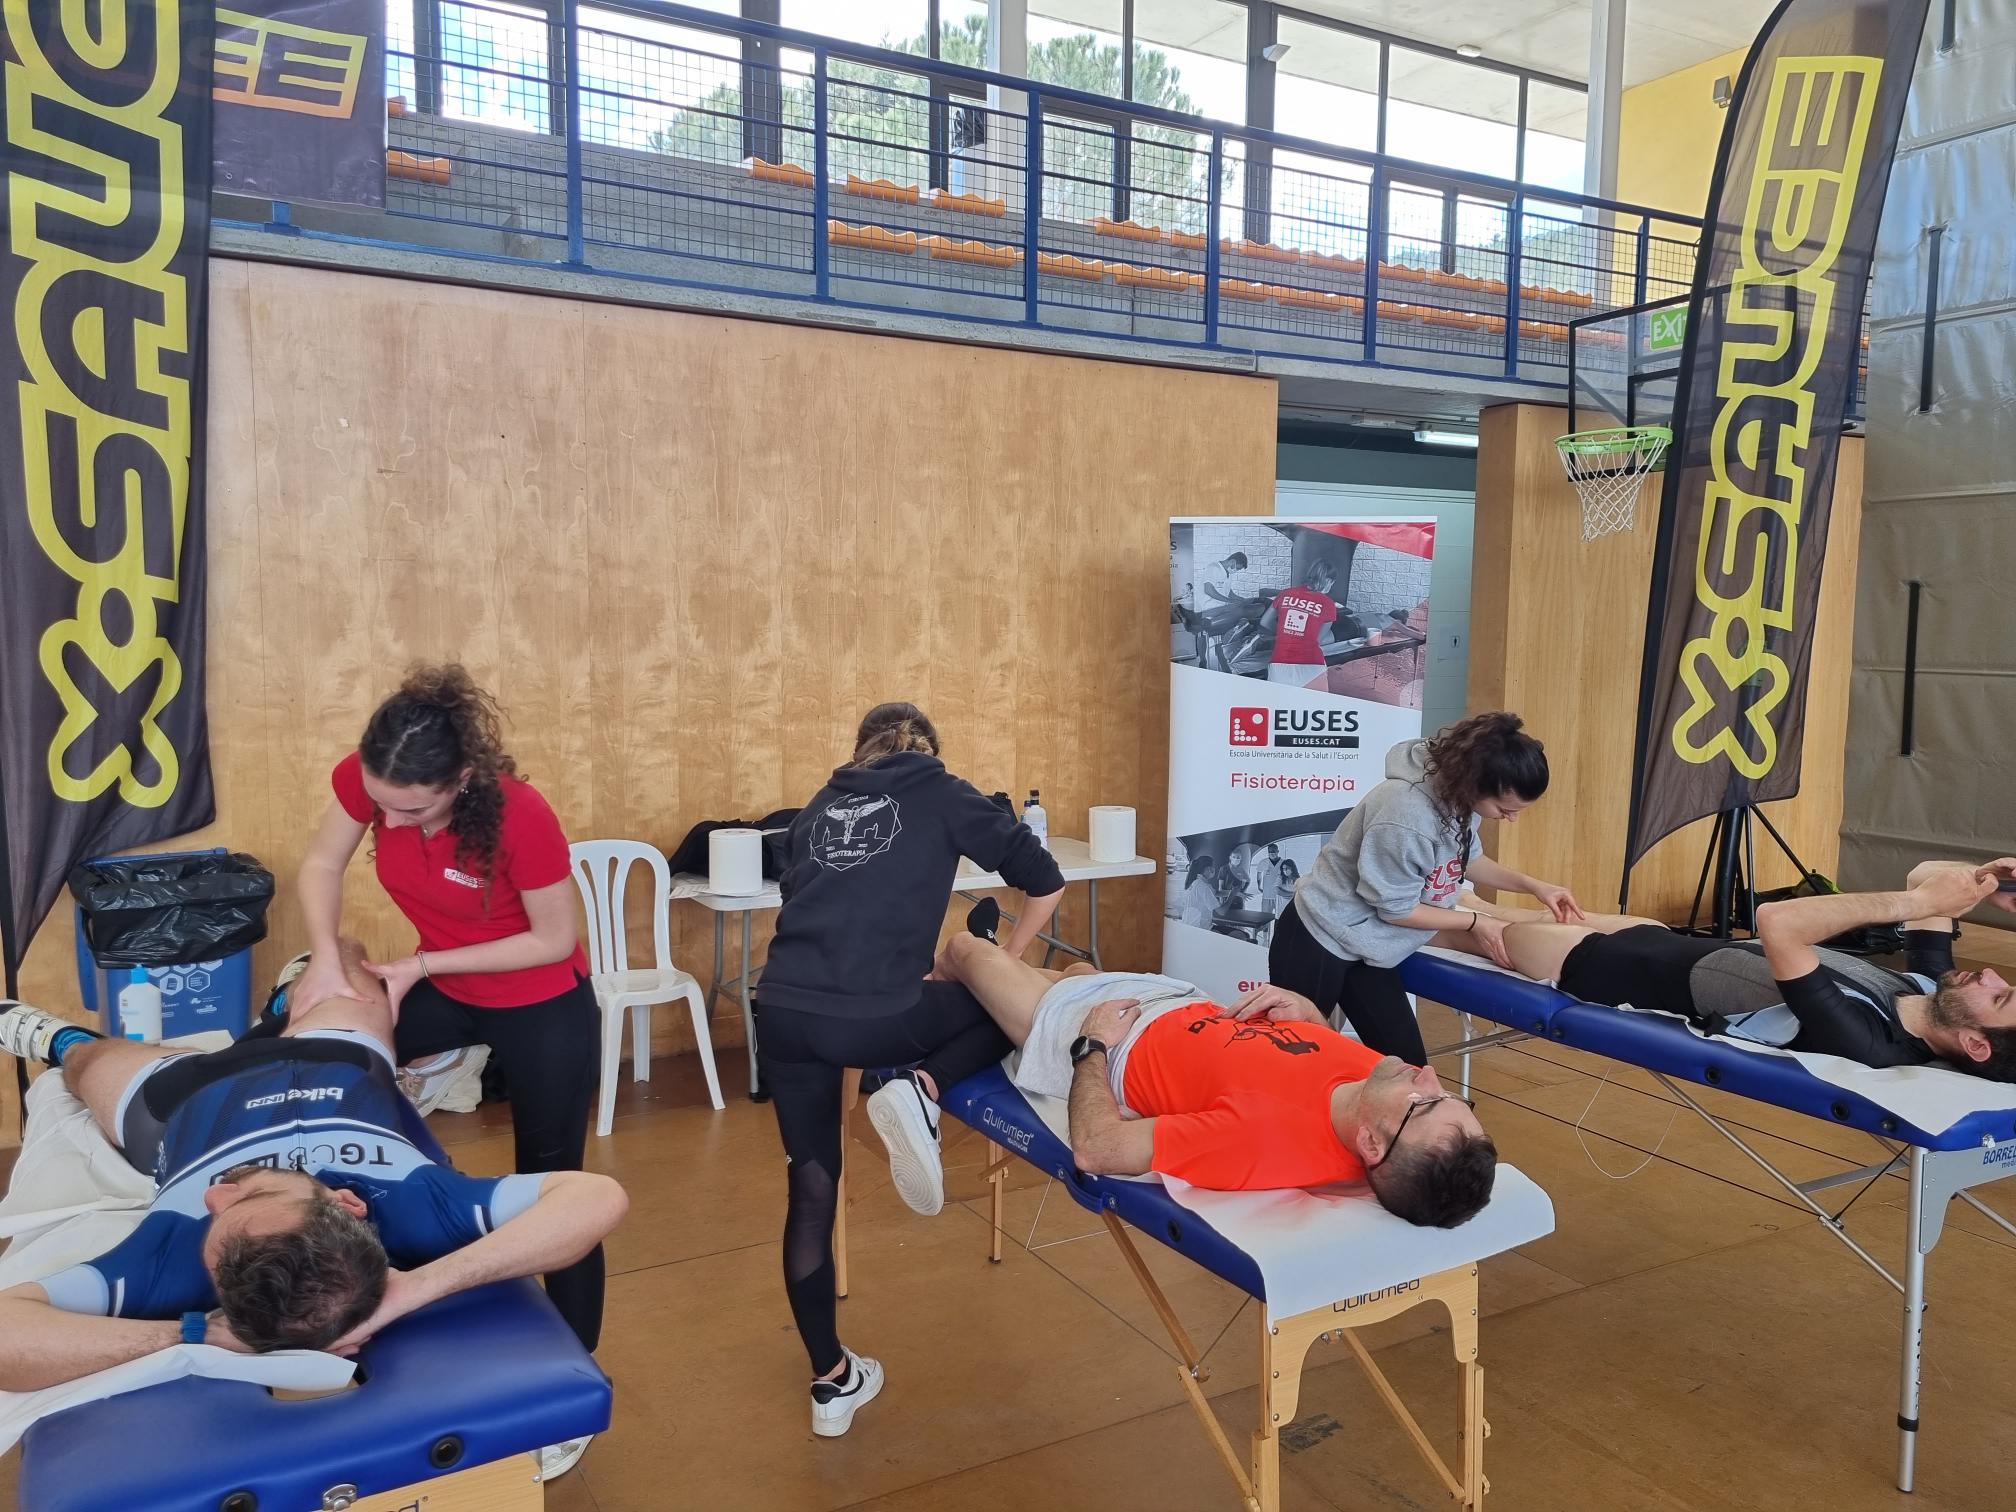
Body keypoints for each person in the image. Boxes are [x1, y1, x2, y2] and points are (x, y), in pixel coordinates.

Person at [0, 940, 626, 1395]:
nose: (215, 1197)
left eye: (218, 1221)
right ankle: (281, 1008)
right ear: (347, 1204)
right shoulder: (417, 1205)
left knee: (85, 1063)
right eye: (252, 1197)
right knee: (345, 957)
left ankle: (61, 1040)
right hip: (332, 1057)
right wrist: (413, 1290)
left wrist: (196, 1334)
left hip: (181, 1100)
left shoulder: (164, 1265)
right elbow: (595, 1196)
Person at [755, 702, 1066, 1437]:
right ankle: (921, 1086)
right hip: (877, 1019)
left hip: (783, 1012)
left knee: (811, 1191)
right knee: (999, 1005)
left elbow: (822, 910)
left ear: (860, 748)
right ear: (931, 748)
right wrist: (1005, 962)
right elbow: (1046, 880)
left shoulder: (820, 804)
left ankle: (831, 1381)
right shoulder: (943, 790)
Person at [283, 665, 604, 1368]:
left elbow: (553, 939)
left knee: (552, 1185)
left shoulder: (521, 814)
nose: (391, 823)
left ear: (461, 780)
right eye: (381, 805)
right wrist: (325, 961)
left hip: (541, 1003)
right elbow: (321, 866)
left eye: (414, 812)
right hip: (448, 985)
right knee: (314, 1064)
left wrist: (424, 965)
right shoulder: (375, 780)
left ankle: (573, 1366)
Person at [931, 934, 1497, 1224]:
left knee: (965, 950)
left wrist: (1092, 1043)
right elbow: (1314, 1059)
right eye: (1448, 1094)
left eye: (1425, 1103)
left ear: (1372, 1145)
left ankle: (926, 1006)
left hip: (1112, 1037)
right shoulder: (1376, 1087)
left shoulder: (1260, 1143)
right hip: (1172, 999)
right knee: (1075, 968)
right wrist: (1307, 1014)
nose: (1428, 1075)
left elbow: (1098, 1150)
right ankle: (979, 1005)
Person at [1488, 858, 2016, 1077]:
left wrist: (1918, 905)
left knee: (1460, 926)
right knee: (1472, 902)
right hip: (1652, 937)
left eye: (1998, 997)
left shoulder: (1869, 1040)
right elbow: (1925, 874)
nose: (1990, 975)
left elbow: (1778, 922)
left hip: (1597, 967)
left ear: (1975, 1045)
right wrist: (1989, 879)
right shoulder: (1923, 988)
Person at [1270, 713, 1586, 1065]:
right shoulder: (1405, 814)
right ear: (1475, 783)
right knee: (1296, 1058)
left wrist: (1535, 886)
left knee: (1409, 1068)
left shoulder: (1460, 798)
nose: (1511, 818)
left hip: (1371, 944)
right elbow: (1397, 909)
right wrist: (1476, 922)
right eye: (1505, 809)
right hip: (1319, 935)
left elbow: (1468, 861)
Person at [1259, 559, 1348, 687]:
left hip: (1279, 662)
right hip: (1311, 664)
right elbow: (1318, 639)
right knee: (1314, 700)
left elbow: (1265, 622)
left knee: (1279, 699)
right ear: (1329, 581)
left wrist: (1285, 632)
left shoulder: (1285, 594)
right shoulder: (1328, 604)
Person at [1180, 854, 1220, 930]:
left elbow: (1215, 893)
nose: (1214, 870)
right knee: (1238, 934)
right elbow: (1221, 912)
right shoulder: (1202, 886)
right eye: (1213, 867)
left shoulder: (1197, 882)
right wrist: (1232, 895)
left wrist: (1235, 893)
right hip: (1199, 928)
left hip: (1190, 925)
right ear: (1208, 869)